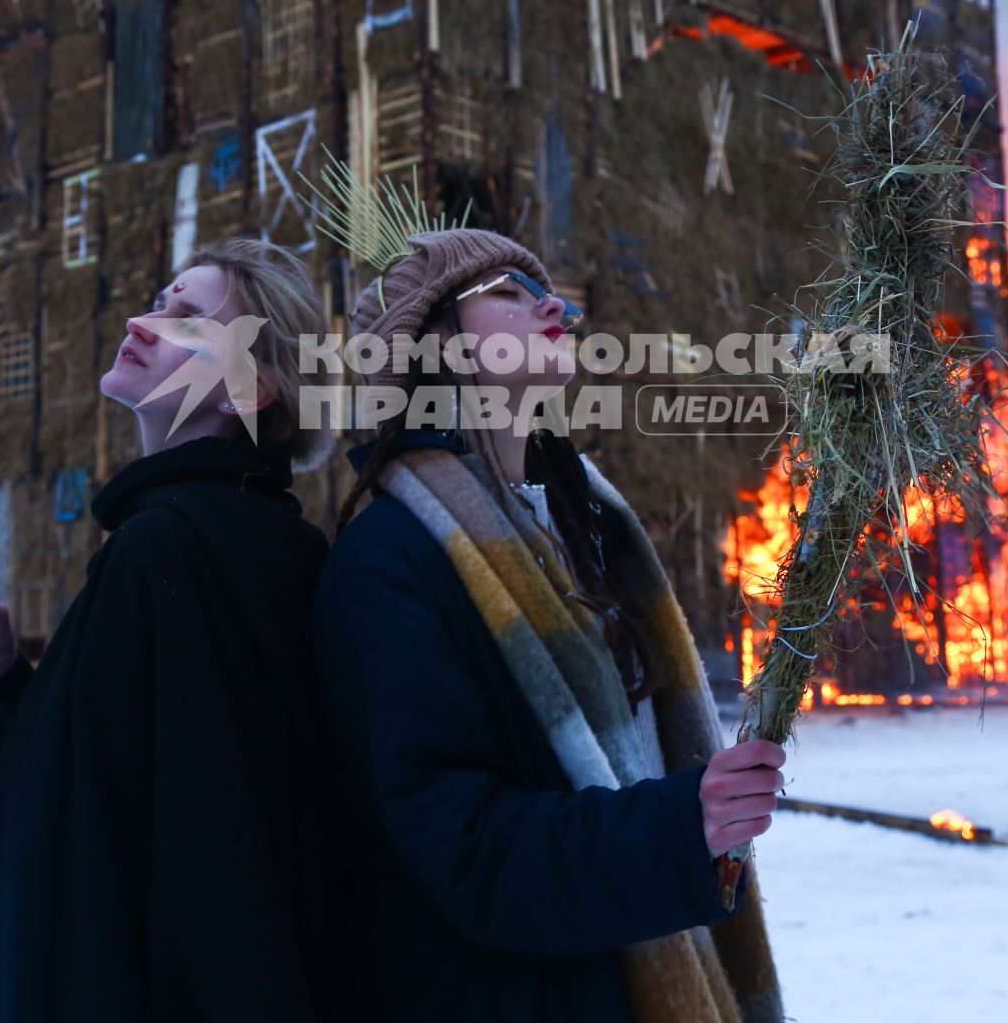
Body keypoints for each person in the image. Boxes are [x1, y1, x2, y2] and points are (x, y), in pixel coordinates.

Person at [0, 237, 350, 1022]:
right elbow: (128, 798)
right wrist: (14, 684)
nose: (142, 321)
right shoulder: (259, 541)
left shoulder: (167, 549)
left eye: (188, 319)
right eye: (161, 301)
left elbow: (27, 830)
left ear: (248, 390)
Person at [312, 227, 785, 1023]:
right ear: (437, 347)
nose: (554, 305)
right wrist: (676, 825)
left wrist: (695, 812)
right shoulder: (388, 560)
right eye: (506, 295)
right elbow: (460, 846)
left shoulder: (584, 528)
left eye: (544, 289)